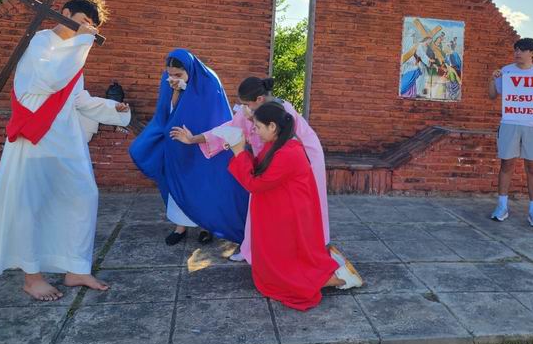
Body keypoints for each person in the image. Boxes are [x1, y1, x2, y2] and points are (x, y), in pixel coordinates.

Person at [0, 0, 131, 301]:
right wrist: (82, 43)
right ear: (65, 13)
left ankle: (76, 268)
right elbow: (49, 81)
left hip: (64, 139)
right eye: (84, 21)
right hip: (34, 137)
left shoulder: (75, 54)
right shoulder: (41, 43)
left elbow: (78, 99)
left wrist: (114, 109)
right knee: (31, 205)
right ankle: (32, 278)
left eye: (91, 26)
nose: (87, 29)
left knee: (84, 195)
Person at [171, 76, 328, 263]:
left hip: (302, 158)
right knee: (260, 204)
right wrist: (193, 139)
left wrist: (251, 122)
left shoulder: (282, 110)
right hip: (269, 160)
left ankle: (311, 247)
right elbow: (228, 129)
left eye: (245, 103)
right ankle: (251, 249)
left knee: (303, 208)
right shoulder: (250, 111)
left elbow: (286, 141)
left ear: (259, 99)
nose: (242, 107)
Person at [226, 101, 362, 310]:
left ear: (272, 126)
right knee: (275, 261)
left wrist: (239, 153)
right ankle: (330, 273)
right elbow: (259, 170)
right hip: (282, 208)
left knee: (284, 267)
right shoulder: (279, 145)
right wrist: (241, 150)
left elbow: (255, 183)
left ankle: (339, 279)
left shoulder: (288, 152)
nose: (255, 132)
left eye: (258, 127)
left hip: (289, 214)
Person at [130, 50, 248, 245]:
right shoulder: (168, 80)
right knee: (176, 181)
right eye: (170, 73)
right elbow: (167, 112)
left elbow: (217, 114)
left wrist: (198, 138)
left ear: (190, 70)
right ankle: (180, 226)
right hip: (177, 142)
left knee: (204, 185)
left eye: (178, 74)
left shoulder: (208, 80)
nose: (173, 77)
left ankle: (206, 226)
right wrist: (176, 90)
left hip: (203, 144)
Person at [487, 37, 533, 228]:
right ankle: (502, 206)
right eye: (516, 50)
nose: (517, 53)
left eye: (522, 50)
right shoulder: (506, 71)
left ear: (532, 53)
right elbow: (492, 95)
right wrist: (492, 79)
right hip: (510, 122)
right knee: (507, 164)